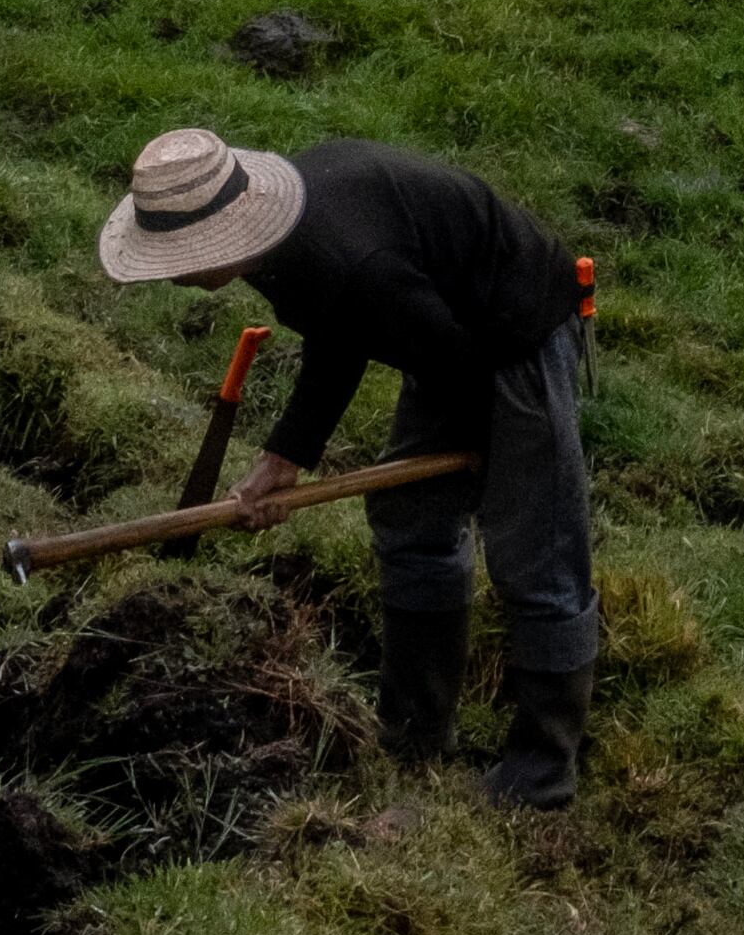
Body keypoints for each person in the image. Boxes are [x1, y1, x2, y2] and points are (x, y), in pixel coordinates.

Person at [96, 126, 597, 807]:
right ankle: (416, 730)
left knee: (536, 552)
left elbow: (433, 345)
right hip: (442, 330)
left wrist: (497, 451)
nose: (175, 274)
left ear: (223, 230)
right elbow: (340, 330)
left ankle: (541, 774)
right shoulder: (286, 247)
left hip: (514, 329)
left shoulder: (351, 260)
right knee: (410, 517)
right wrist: (285, 457)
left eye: (179, 258)